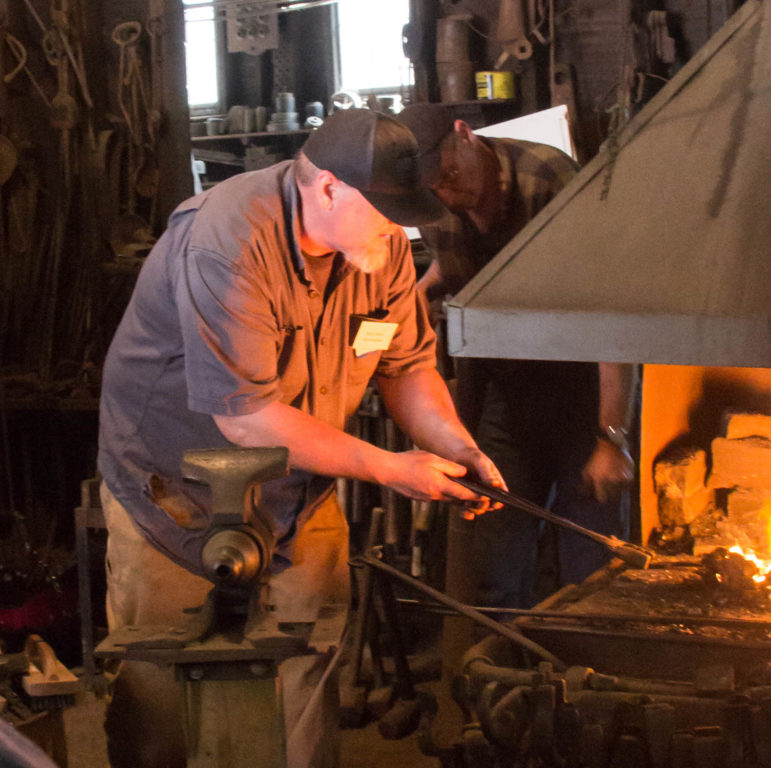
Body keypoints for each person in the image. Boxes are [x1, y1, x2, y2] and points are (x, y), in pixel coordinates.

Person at [97, 108, 505, 768]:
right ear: (328, 189)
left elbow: (405, 366)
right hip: (175, 493)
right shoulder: (226, 241)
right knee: (164, 696)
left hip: (297, 491)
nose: (398, 229)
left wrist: (455, 445)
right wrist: (392, 469)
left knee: (305, 674)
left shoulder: (378, 249)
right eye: (384, 210)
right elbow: (247, 417)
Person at [397, 103, 637, 609]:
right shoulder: (435, 201)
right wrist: (420, 292)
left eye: (451, 175)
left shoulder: (548, 178)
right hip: (507, 389)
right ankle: (501, 676)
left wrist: (611, 437)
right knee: (494, 549)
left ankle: (588, 672)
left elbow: (606, 310)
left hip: (581, 391)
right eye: (433, 186)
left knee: (589, 563)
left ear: (465, 135)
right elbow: (459, 264)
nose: (446, 193)